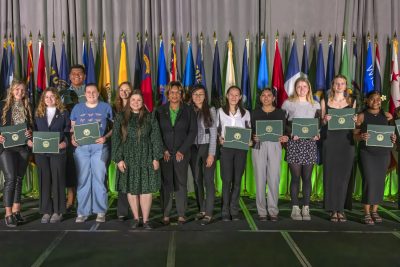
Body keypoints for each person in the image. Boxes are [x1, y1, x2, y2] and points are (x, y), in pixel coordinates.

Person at [112, 90, 163, 229]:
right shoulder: (120, 117)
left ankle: (146, 220)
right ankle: (136, 218)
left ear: (142, 102)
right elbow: (116, 139)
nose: (136, 102)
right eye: (133, 100)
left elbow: (156, 138)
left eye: (139, 100)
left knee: (146, 189)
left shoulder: (150, 117)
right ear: (129, 101)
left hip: (147, 155)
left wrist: (156, 158)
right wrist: (118, 159)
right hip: (128, 156)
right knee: (131, 189)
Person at [70, 83, 113, 223]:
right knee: (83, 179)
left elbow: (116, 126)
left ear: (98, 92)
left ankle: (100, 211)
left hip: (99, 147)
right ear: (85, 93)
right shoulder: (77, 108)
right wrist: (73, 138)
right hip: (82, 148)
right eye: (88, 92)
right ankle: (83, 212)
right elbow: (73, 128)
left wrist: (105, 137)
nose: (91, 94)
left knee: (99, 178)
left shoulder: (106, 107)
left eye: (94, 92)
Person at [156, 81, 197, 225]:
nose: (175, 95)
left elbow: (192, 132)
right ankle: (166, 214)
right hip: (165, 154)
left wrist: (182, 150)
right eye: (172, 92)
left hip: (182, 153)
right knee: (166, 183)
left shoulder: (188, 110)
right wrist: (162, 150)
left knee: (181, 183)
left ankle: (181, 214)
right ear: (167, 94)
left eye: (178, 92)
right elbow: (156, 133)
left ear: (181, 94)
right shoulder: (159, 111)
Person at [28, 88, 70, 223]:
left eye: (52, 96)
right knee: (44, 180)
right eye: (46, 97)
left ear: (57, 98)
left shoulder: (63, 113)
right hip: (41, 152)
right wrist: (30, 140)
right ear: (43, 99)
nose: (49, 99)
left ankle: (58, 211)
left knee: (58, 180)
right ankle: (46, 210)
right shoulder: (38, 113)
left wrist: (65, 143)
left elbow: (69, 131)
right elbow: (32, 130)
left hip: (58, 151)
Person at [281, 77, 320, 221]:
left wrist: (317, 134)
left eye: (304, 86)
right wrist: (290, 133)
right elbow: (282, 123)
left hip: (309, 144)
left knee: (307, 178)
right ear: (295, 88)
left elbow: (319, 124)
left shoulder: (315, 104)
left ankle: (306, 208)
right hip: (294, 144)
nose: (302, 89)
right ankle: (295, 208)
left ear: (309, 88)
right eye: (299, 86)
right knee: (295, 178)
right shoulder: (288, 103)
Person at [355, 91, 396, 225]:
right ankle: (366, 212)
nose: (376, 101)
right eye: (372, 99)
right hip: (367, 153)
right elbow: (354, 135)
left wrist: (393, 138)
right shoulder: (361, 116)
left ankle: (374, 211)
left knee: (379, 181)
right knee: (369, 180)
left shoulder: (388, 116)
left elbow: (391, 135)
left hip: (383, 154)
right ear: (367, 100)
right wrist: (360, 137)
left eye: (378, 99)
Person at [321, 75, 356, 222]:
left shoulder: (351, 101)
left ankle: (340, 209)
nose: (339, 86)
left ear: (345, 86)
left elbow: (354, 126)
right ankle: (332, 209)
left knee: (343, 176)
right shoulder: (325, 100)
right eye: (337, 83)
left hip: (346, 142)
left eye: (342, 83)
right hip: (330, 141)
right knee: (330, 175)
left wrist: (355, 121)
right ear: (333, 85)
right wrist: (324, 120)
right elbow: (322, 123)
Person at [251, 88, 288, 222]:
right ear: (260, 98)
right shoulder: (253, 113)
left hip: (274, 146)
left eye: (269, 95)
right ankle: (261, 211)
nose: (266, 98)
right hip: (258, 146)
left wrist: (286, 137)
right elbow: (248, 131)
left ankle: (273, 211)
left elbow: (285, 131)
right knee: (260, 179)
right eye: (263, 95)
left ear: (273, 98)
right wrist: (252, 137)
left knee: (274, 178)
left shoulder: (280, 113)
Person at [0, 80, 33, 227]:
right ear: (11, 91)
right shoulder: (2, 106)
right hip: (6, 148)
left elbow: (32, 126)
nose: (20, 92)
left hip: (23, 148)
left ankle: (16, 211)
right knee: (11, 179)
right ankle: (8, 214)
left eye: (22, 90)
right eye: (17, 89)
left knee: (19, 178)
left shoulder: (28, 107)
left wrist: (30, 132)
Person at [217, 85, 251, 221]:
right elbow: (217, 130)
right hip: (226, 149)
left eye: (237, 95)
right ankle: (225, 210)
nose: (234, 97)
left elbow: (248, 130)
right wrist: (219, 138)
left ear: (241, 97)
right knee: (226, 180)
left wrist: (249, 140)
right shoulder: (220, 112)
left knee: (237, 181)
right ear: (227, 95)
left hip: (240, 150)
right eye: (231, 94)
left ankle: (234, 209)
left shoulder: (246, 113)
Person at [189, 84, 217, 225]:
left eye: (201, 94)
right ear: (191, 96)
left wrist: (211, 154)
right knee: (197, 179)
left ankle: (209, 213)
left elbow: (213, 134)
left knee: (208, 180)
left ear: (205, 96)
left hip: (206, 148)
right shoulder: (188, 110)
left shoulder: (211, 110)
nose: (198, 97)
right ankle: (202, 209)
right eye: (195, 94)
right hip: (193, 148)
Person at [59, 64, 86, 212]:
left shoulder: (91, 91)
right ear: (69, 77)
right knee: (70, 166)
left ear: (84, 76)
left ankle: (85, 199)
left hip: (88, 134)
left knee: (85, 167)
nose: (77, 76)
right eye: (73, 74)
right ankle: (70, 198)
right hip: (69, 134)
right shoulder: (63, 93)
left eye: (80, 74)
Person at [112, 82, 133, 221]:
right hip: (120, 147)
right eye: (122, 90)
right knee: (123, 179)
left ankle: (137, 210)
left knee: (135, 179)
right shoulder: (114, 108)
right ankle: (122, 211)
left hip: (135, 148)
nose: (124, 92)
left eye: (127, 90)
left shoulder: (137, 105)